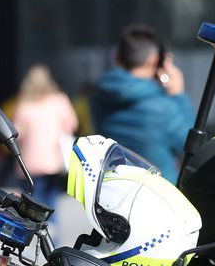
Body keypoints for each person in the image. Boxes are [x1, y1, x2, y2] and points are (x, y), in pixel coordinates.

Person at [91, 24, 195, 184]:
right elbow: (191, 146)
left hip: (112, 193)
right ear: (154, 60)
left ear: (117, 58)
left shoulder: (99, 97)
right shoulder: (164, 107)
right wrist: (178, 95)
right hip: (156, 196)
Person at [12, 64, 79, 209]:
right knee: (50, 199)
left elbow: (17, 134)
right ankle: (51, 228)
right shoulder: (60, 100)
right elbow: (72, 125)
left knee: (30, 203)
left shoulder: (24, 104)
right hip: (53, 160)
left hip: (28, 163)